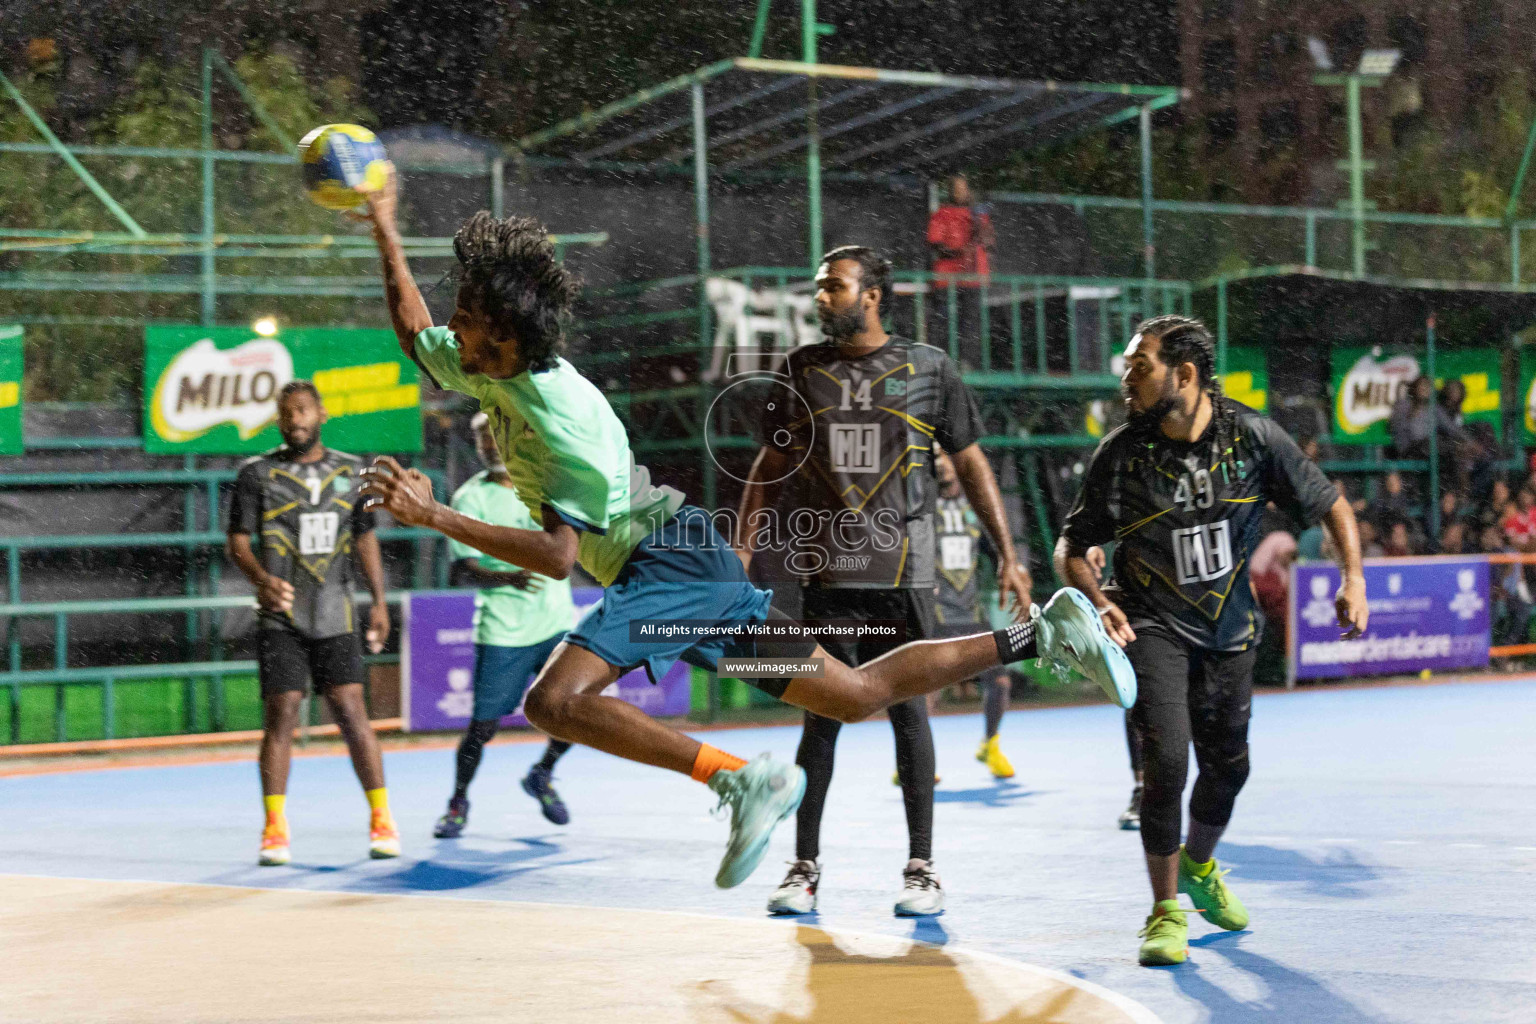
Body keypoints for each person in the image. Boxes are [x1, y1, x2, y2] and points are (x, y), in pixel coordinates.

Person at [355, 167, 1132, 895]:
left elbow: (558, 560)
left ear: (512, 339)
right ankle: (1038, 635)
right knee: (853, 696)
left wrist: (434, 516)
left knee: (555, 701)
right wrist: (384, 229)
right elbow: (412, 329)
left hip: (668, 566)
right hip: (684, 565)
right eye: (456, 317)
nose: (450, 332)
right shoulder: (487, 363)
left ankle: (737, 779)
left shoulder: (563, 424)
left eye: (468, 321)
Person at [1057, 314, 1368, 967]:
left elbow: (1332, 504)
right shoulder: (1121, 453)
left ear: (1185, 374)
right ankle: (1165, 910)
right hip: (1149, 620)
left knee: (1230, 768)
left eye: (1139, 367)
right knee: (1167, 762)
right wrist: (1100, 599)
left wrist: (1353, 578)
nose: (1126, 378)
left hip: (1230, 630)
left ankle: (1199, 865)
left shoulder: (1253, 438)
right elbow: (1071, 548)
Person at [736, 251, 1034, 918]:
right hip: (826, 576)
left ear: (870, 295)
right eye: (817, 286)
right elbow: (770, 461)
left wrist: (1008, 554)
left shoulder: (929, 368)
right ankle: (804, 866)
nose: (820, 297)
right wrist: (743, 542)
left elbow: (973, 463)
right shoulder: (801, 370)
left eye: (832, 286)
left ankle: (921, 869)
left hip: (903, 573)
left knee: (910, 715)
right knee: (820, 720)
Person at [226, 380, 398, 867]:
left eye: (303, 411)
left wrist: (379, 602)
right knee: (281, 716)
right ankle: (274, 828)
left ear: (322, 414)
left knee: (351, 713)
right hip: (281, 616)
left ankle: (382, 817)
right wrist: (260, 579)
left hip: (336, 612)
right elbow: (238, 542)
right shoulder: (255, 474)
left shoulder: (353, 471)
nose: (295, 420)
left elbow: (365, 540)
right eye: (286, 413)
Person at [433, 411, 578, 839]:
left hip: (554, 622)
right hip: (503, 628)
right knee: (483, 727)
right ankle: (458, 801)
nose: (490, 445)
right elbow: (465, 569)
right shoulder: (470, 499)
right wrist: (509, 576)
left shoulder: (545, 489)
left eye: (497, 435)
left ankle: (542, 774)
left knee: (576, 711)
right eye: (482, 439)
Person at [931, 447, 1020, 780]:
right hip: (934, 613)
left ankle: (990, 744)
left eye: (945, 455)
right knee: (926, 689)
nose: (941, 462)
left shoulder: (974, 506)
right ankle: (912, 757)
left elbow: (995, 550)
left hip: (970, 610)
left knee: (999, 681)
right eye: (934, 456)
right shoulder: (919, 506)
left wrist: (1011, 567)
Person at [926, 174, 995, 369]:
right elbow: (936, 245)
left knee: (971, 322)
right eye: (956, 189)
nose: (961, 193)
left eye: (963, 189)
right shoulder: (941, 214)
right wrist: (958, 252)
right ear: (949, 191)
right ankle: (941, 362)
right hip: (947, 277)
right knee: (944, 320)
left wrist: (982, 233)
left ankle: (967, 362)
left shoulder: (979, 215)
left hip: (973, 276)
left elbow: (989, 243)